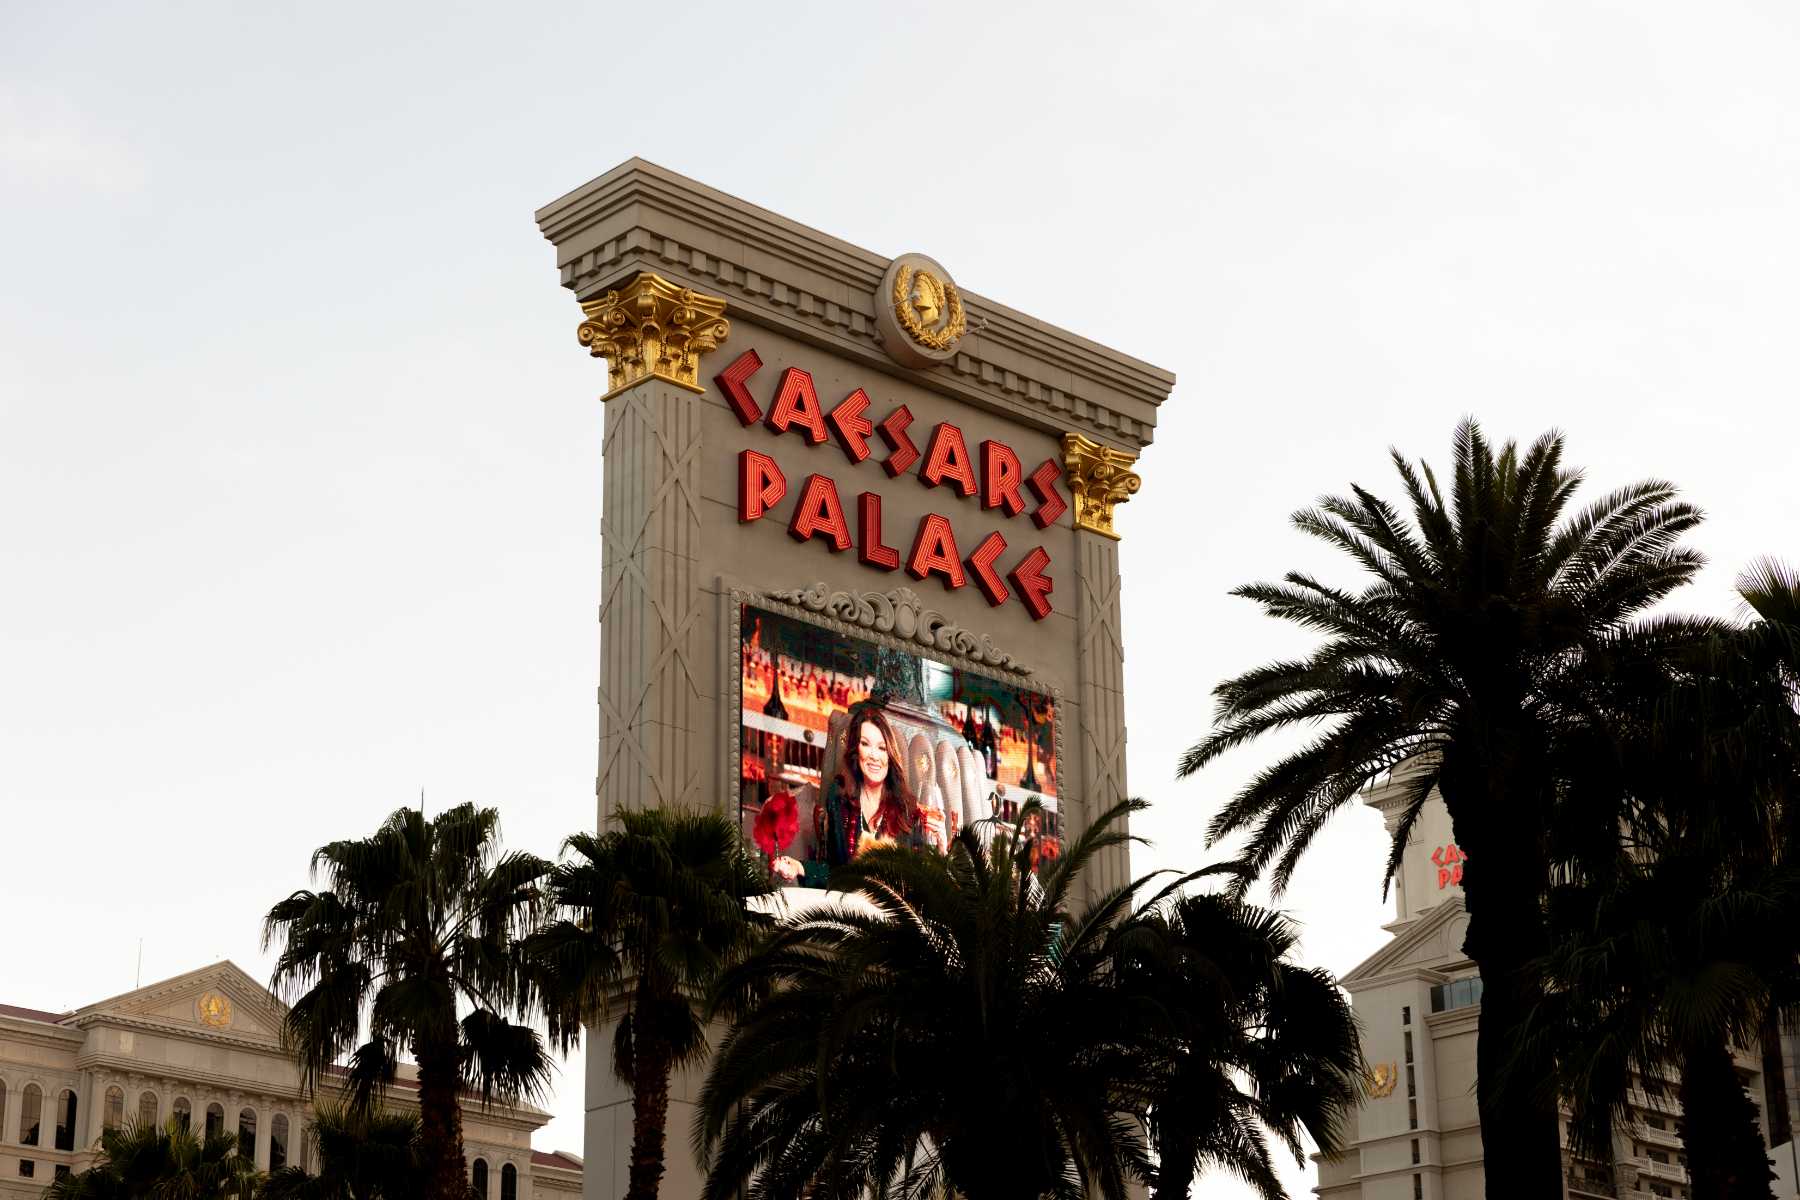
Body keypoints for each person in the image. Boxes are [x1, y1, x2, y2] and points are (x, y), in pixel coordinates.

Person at [822, 702, 922, 868]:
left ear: (890, 755)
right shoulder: (839, 796)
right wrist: (800, 867)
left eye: (882, 748)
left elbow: (921, 875)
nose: (875, 756)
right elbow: (835, 869)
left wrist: (941, 845)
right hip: (848, 892)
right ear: (855, 749)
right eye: (865, 744)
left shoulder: (906, 808)